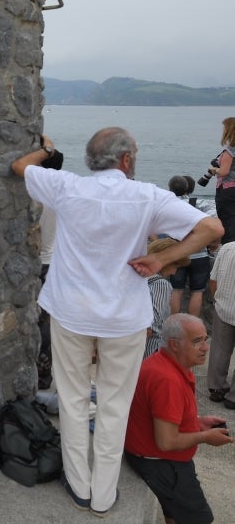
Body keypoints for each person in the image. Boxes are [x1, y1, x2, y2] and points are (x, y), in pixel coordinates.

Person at [11, 127, 222, 516]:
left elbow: (20, 166)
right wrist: (161, 259)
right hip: (124, 317)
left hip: (71, 311)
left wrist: (45, 150)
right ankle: (104, 495)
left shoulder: (66, 186)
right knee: (114, 403)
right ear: (125, 159)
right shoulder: (147, 196)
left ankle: (79, 485)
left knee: (73, 400)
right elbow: (212, 228)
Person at [124, 314, 232, 524]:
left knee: (175, 511)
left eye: (205, 338)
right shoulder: (167, 380)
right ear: (174, 345)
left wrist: (196, 421)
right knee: (199, 519)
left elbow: (162, 415)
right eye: (196, 341)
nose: (206, 347)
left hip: (152, 456)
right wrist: (205, 436)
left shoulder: (162, 362)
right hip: (161, 464)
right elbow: (166, 442)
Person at [35, 148, 64, 389]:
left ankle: (38, 374)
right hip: (56, 263)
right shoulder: (61, 194)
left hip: (39, 262)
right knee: (48, 321)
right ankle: (45, 374)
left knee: (39, 323)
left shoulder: (37, 196)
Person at [167, 176, 213, 317]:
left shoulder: (166, 205)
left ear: (170, 189)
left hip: (177, 253)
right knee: (197, 292)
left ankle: (173, 323)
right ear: (188, 188)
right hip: (199, 254)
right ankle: (192, 325)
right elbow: (214, 221)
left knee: (176, 290)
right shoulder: (199, 202)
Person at [145, 238, 190, 359]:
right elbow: (153, 321)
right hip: (151, 347)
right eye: (176, 264)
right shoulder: (161, 284)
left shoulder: (143, 277)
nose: (175, 271)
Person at [207, 240, 235, 408]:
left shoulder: (227, 247)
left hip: (223, 306)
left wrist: (217, 299)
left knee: (219, 348)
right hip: (224, 303)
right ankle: (233, 398)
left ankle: (216, 389)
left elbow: (213, 279)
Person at [209, 117, 235, 244]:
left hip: (227, 190)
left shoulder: (229, 151)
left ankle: (228, 250)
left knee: (227, 220)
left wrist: (214, 170)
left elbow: (224, 171)